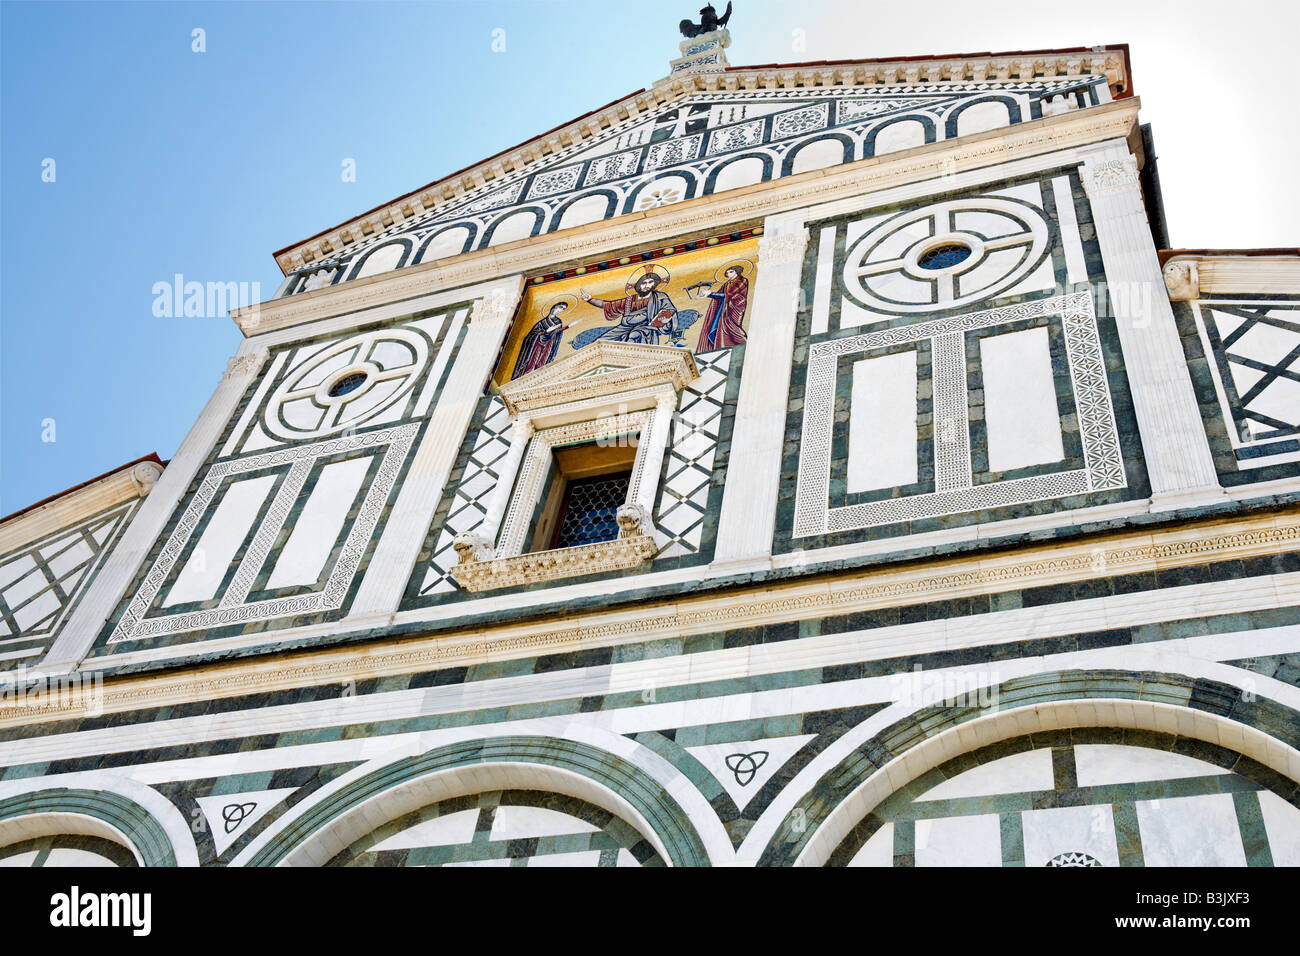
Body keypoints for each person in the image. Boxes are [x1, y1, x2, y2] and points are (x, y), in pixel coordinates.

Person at [696, 264, 749, 352]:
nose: (729, 274)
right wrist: (706, 295)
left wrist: (711, 294)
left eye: (731, 271)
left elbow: (731, 294)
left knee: (732, 327)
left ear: (737, 271)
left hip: (734, 307)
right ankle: (721, 347)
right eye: (727, 273)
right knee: (717, 326)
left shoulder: (742, 280)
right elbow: (719, 295)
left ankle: (742, 345)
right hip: (723, 308)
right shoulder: (727, 284)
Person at [510, 301, 571, 378]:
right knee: (531, 363)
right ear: (555, 306)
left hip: (548, 344)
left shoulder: (558, 322)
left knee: (542, 363)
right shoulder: (541, 323)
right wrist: (545, 331)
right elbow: (531, 336)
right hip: (536, 344)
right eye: (560, 307)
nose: (561, 310)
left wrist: (567, 327)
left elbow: (557, 333)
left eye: (563, 309)